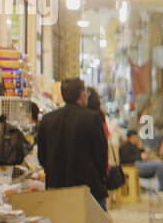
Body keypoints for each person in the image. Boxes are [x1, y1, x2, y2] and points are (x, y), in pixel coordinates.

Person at [36, 78, 109, 210]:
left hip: (56, 188)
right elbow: (101, 156)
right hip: (88, 189)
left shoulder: (48, 119)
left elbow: (42, 156)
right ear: (82, 95)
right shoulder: (91, 118)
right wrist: (101, 178)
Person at [119, 130, 163, 194]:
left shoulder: (135, 145)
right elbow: (125, 160)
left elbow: (142, 153)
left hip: (142, 163)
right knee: (159, 165)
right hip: (134, 165)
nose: (136, 139)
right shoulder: (125, 147)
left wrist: (141, 147)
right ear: (129, 138)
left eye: (136, 137)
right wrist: (140, 157)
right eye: (134, 137)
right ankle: (162, 188)